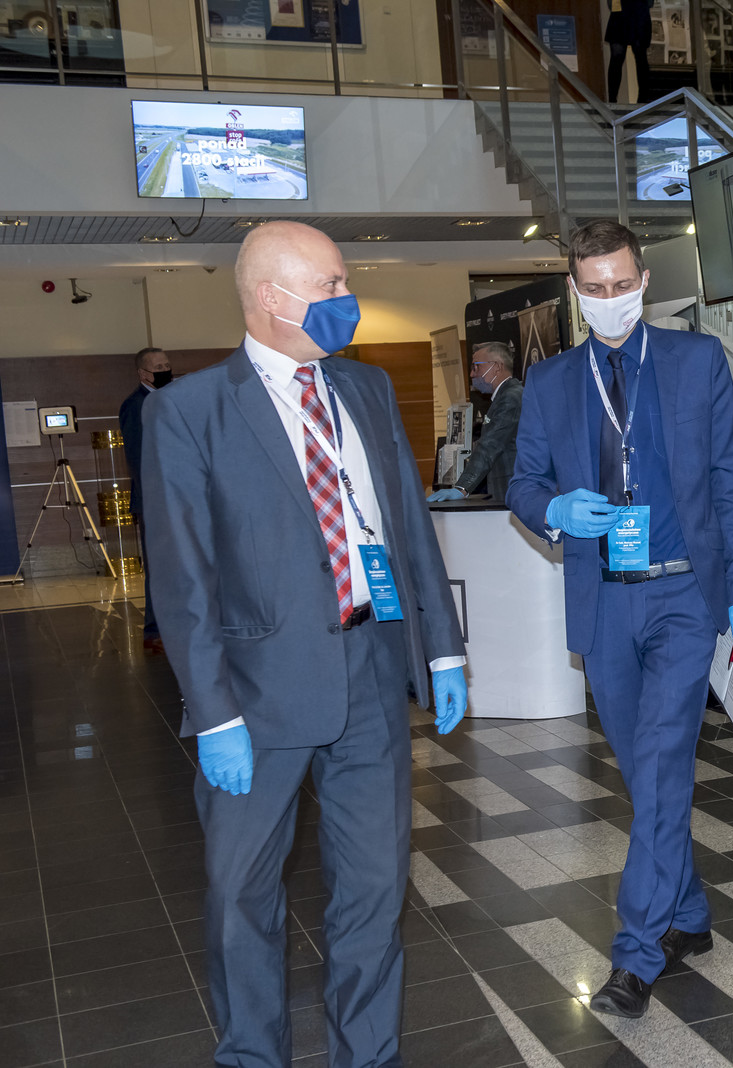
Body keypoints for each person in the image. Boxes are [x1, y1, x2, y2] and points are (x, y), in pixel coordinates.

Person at [141, 221, 469, 1068]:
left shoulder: (364, 388)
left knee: (374, 889)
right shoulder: (189, 411)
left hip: (371, 672)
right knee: (241, 897)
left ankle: (370, 1054)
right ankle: (254, 1055)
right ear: (270, 297)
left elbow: (406, 524)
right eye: (330, 285)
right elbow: (182, 580)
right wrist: (213, 713)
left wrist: (441, 646)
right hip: (255, 696)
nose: (345, 298)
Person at [506, 219, 733, 1018]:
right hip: (606, 600)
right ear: (575, 291)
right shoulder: (551, 382)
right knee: (643, 772)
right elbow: (523, 484)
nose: (610, 298)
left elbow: (730, 479)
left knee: (658, 767)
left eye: (622, 284)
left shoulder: (696, 361)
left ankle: (637, 952)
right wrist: (554, 509)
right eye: (595, 288)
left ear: (644, 281)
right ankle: (689, 912)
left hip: (685, 598)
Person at [118, 344, 170, 653]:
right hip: (154, 501)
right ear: (143, 373)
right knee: (159, 567)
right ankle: (154, 630)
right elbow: (138, 459)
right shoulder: (135, 405)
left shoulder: (166, 399)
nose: (165, 371)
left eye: (166, 365)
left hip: (175, 498)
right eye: (158, 367)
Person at [428, 341, 524, 502]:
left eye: (476, 366)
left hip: (512, 490)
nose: (472, 374)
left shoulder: (510, 398)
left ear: (497, 367)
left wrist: (462, 488)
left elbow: (490, 446)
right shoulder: (505, 396)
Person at [606, 0, 654, 104]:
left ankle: (614, 100)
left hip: (632, 13)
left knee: (634, 57)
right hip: (630, 14)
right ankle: (640, 99)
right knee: (632, 57)